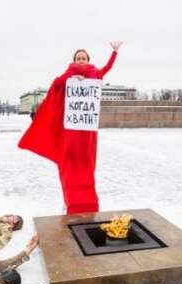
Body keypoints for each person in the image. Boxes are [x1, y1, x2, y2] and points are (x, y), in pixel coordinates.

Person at [18, 41, 123, 214]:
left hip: (87, 131)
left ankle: (85, 201)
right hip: (71, 130)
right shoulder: (68, 74)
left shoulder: (95, 73)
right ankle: (69, 200)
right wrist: (71, 79)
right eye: (78, 58)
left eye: (84, 58)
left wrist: (115, 52)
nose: (81, 60)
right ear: (74, 60)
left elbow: (107, 68)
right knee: (69, 162)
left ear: (88, 60)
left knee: (86, 163)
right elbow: (56, 84)